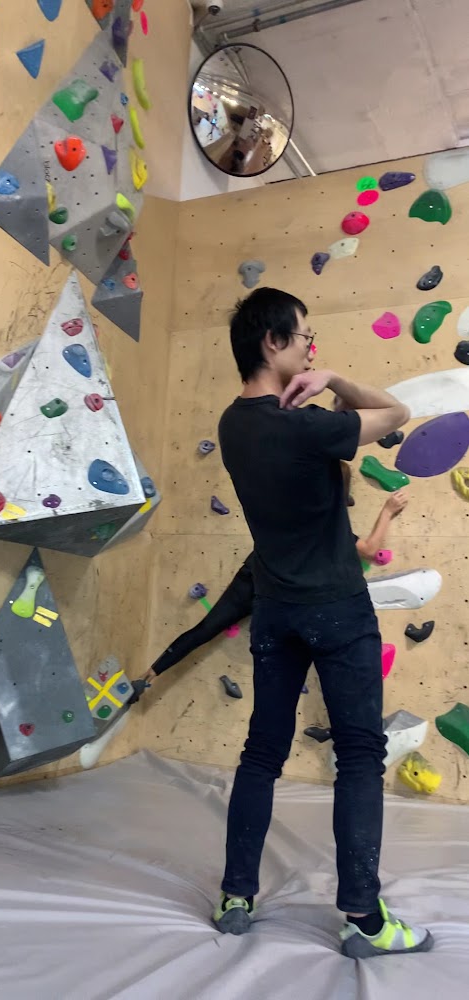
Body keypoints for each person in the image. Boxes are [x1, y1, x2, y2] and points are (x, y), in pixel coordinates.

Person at [212, 286, 433, 959]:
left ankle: (235, 897)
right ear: (272, 343)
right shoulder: (304, 426)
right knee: (361, 757)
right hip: (337, 608)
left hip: (276, 611)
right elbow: (397, 410)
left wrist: (324, 399)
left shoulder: (232, 424)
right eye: (304, 337)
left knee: (260, 754)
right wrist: (334, 380)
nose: (313, 347)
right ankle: (365, 920)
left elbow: (313, 484)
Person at [139, 486, 408, 689]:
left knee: (209, 627)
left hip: (260, 581)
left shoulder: (292, 509)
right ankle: (153, 671)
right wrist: (387, 511)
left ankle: (152, 671)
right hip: (275, 592)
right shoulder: (328, 528)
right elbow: (371, 550)